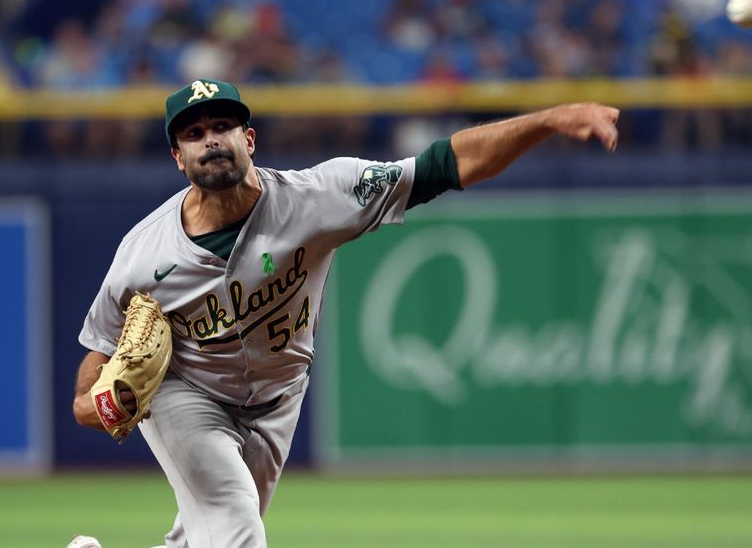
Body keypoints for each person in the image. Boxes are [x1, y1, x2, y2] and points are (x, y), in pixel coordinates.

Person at [70, 78, 619, 548]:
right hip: (187, 394)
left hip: (277, 398)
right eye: (194, 133)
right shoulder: (144, 254)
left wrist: (548, 119)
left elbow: (444, 166)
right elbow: (89, 383)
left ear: (250, 139)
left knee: (210, 534)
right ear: (178, 157)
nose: (211, 140)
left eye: (223, 126)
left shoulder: (318, 197)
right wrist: (104, 403)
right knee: (234, 520)